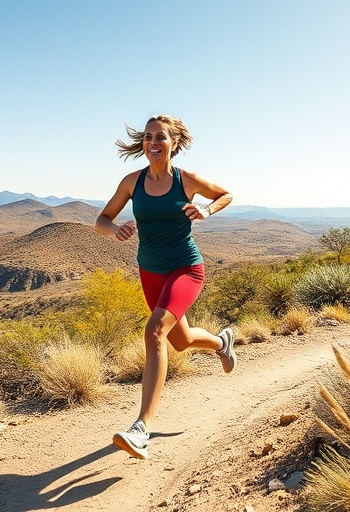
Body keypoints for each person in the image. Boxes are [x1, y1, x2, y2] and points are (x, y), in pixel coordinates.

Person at [94, 115, 235, 460]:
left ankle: (141, 428)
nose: (152, 142)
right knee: (180, 341)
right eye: (147, 137)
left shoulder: (186, 180)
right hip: (150, 272)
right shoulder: (132, 182)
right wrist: (115, 231)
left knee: (154, 332)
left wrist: (206, 208)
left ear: (174, 143)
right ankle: (221, 341)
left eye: (160, 137)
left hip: (186, 268)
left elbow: (225, 195)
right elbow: (102, 220)